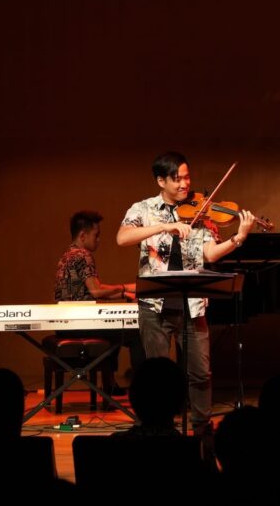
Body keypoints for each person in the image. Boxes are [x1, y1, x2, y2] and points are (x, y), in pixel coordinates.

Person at [117, 151, 256, 434]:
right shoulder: (142, 209)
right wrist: (164, 226)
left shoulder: (201, 212)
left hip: (192, 306)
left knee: (201, 373)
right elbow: (122, 238)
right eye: (177, 179)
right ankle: (159, 428)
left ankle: (202, 429)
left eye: (187, 177)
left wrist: (239, 237)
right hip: (154, 306)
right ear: (161, 181)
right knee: (156, 374)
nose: (184, 184)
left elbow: (210, 254)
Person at [55, 210, 145, 391]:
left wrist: (125, 293)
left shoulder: (67, 256)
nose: (99, 240)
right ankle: (142, 388)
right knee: (136, 334)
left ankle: (110, 383)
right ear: (83, 235)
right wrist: (125, 288)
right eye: (96, 235)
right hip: (80, 325)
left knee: (116, 329)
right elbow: (96, 291)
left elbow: (92, 290)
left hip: (65, 324)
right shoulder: (83, 255)